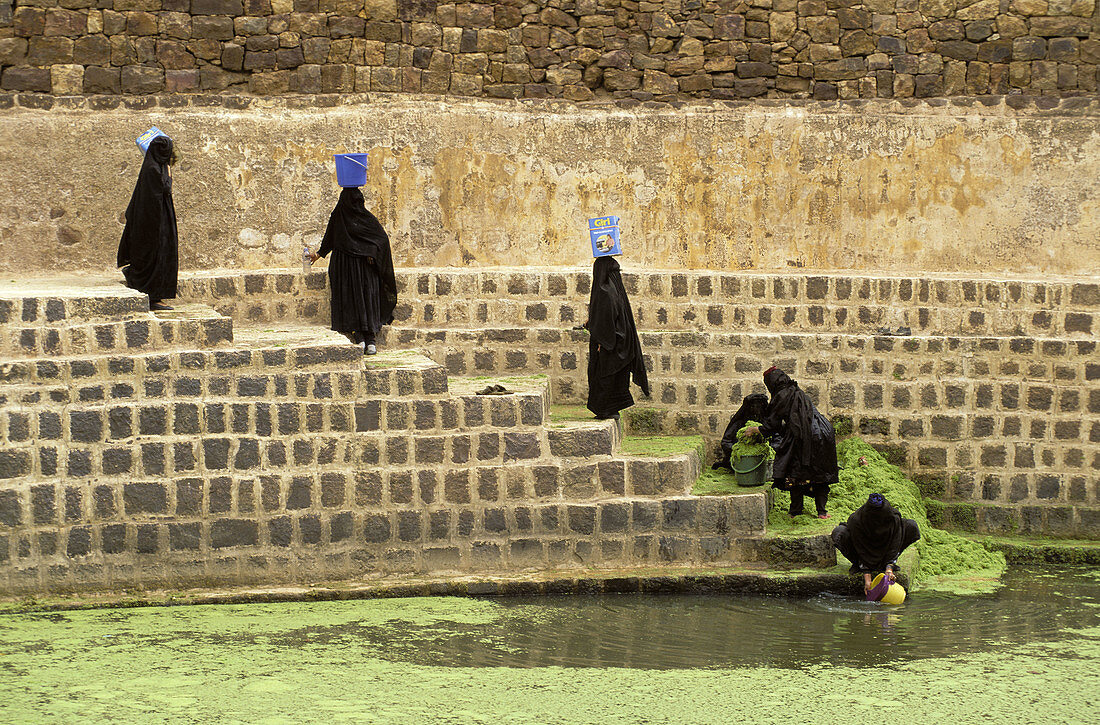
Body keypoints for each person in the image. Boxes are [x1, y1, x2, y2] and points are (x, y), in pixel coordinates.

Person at [309, 187, 397, 355]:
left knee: (367, 299)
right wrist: (318, 255)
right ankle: (359, 337)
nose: (356, 205)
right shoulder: (339, 217)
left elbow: (380, 239)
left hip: (365, 270)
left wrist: (371, 253)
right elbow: (330, 237)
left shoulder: (366, 219)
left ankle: (370, 338)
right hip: (345, 268)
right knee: (351, 300)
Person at [741, 367, 838, 518]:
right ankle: (822, 512)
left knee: (795, 471)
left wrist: (755, 429)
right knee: (820, 472)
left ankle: (795, 511)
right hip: (824, 432)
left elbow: (773, 424)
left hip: (804, 435)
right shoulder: (796, 391)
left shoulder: (781, 395)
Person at [584, 255, 649, 420]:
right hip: (620, 341)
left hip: (609, 343)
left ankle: (606, 410)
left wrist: (601, 340)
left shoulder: (605, 291)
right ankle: (611, 410)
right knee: (614, 377)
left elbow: (606, 319)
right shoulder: (613, 288)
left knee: (603, 376)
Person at [118, 135, 178, 311]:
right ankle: (153, 297)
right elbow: (165, 189)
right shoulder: (154, 169)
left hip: (157, 221)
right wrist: (169, 172)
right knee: (156, 257)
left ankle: (154, 294)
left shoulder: (152, 167)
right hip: (155, 224)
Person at [832, 493, 921, 596]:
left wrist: (889, 568)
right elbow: (860, 547)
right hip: (862, 553)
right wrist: (867, 577)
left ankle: (885, 563)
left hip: (885, 551)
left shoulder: (892, 518)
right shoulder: (856, 520)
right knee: (839, 533)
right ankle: (859, 565)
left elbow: (894, 544)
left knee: (911, 526)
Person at [713, 393, 769, 470]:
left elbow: (777, 441)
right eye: (752, 407)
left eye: (758, 407)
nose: (756, 411)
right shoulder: (738, 424)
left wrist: (764, 450)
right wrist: (738, 450)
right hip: (741, 462)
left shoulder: (768, 425)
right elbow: (726, 442)